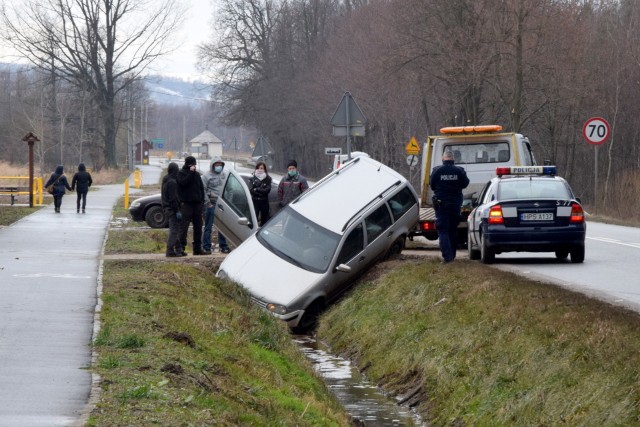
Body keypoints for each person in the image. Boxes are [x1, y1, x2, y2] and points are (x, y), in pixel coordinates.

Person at [429, 150, 470, 263]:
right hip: (455, 204)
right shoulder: (459, 171)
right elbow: (465, 183)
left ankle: (448, 257)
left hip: (441, 205)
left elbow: (432, 186)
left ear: (443, 158)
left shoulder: (437, 171)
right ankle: (452, 255)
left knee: (443, 230)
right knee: (452, 230)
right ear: (453, 159)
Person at [177, 156, 207, 255]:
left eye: (194, 164)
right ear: (188, 164)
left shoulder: (197, 175)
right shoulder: (181, 174)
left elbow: (201, 189)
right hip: (186, 204)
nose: (194, 166)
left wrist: (202, 201)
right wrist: (190, 173)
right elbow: (183, 183)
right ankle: (181, 247)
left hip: (197, 204)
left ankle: (197, 248)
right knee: (184, 227)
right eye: (192, 164)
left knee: (198, 227)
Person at [201, 156, 230, 254]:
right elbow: (203, 190)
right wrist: (207, 202)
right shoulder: (206, 176)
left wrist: (228, 200)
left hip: (222, 204)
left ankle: (223, 246)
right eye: (217, 164)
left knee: (222, 227)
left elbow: (229, 188)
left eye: (220, 164)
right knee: (208, 226)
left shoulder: (225, 175)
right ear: (213, 165)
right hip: (211, 203)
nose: (219, 166)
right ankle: (206, 246)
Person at [161, 162, 185, 257]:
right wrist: (177, 210)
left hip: (167, 208)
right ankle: (170, 250)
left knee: (176, 229)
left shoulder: (166, 180)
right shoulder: (172, 182)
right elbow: (173, 199)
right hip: (172, 209)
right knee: (174, 230)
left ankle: (179, 250)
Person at [249, 161, 272, 226]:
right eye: (259, 168)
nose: (260, 170)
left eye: (262, 168)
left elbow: (267, 190)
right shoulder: (252, 178)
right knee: (254, 218)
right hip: (255, 201)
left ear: (264, 169)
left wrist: (257, 189)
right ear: (256, 168)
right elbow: (251, 190)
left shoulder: (268, 178)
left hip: (264, 202)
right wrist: (261, 192)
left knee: (264, 219)